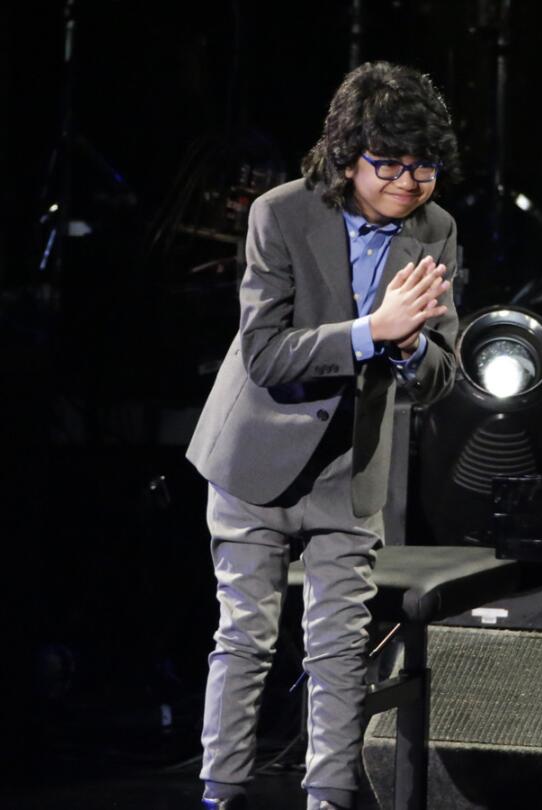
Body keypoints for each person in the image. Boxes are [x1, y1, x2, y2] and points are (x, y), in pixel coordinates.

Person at [185, 61, 461, 810]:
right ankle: (221, 793)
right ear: (346, 157)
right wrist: (375, 332)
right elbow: (268, 355)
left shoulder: (436, 230)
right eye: (391, 165)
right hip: (255, 453)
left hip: (350, 464)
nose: (410, 182)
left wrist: (409, 348)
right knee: (246, 632)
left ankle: (330, 797)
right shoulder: (279, 213)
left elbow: (441, 373)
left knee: (340, 647)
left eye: (425, 166)